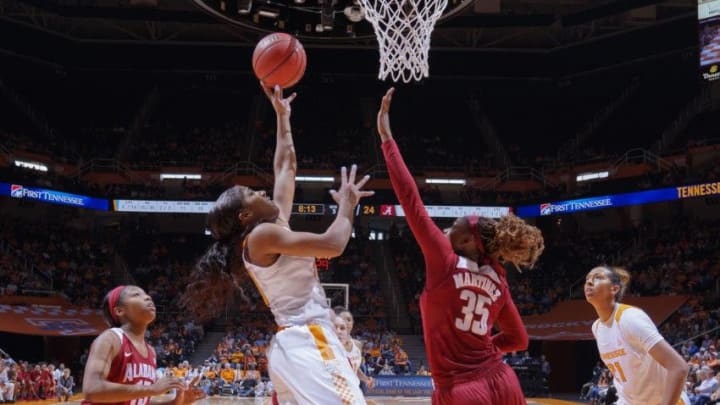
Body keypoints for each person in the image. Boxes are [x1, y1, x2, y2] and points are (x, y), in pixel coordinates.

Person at [182, 85, 373, 405]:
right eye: (254, 195)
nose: (265, 194)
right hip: (308, 338)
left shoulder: (268, 231)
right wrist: (347, 206)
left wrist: (282, 117)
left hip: (295, 343)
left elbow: (286, 167)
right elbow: (334, 244)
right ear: (245, 215)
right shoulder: (259, 238)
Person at [376, 88, 545, 405]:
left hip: (462, 390)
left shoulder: (444, 259)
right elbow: (519, 340)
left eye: (455, 224)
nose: (448, 226)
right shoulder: (498, 277)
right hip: (503, 381)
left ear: (468, 240)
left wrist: (387, 139)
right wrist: (487, 348)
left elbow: (411, 200)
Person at [584, 266, 691, 405]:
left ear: (614, 289)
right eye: (587, 279)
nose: (589, 282)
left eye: (598, 277)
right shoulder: (597, 327)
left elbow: (679, 367)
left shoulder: (629, 318)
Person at [81, 285, 206, 405]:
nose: (148, 297)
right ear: (119, 310)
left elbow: (138, 401)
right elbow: (92, 389)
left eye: (146, 294)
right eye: (136, 294)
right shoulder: (111, 339)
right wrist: (151, 389)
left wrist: (175, 403)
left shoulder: (151, 351)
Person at [334, 308, 375, 390]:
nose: (346, 322)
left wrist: (366, 379)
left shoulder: (358, 344)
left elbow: (354, 369)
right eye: (343, 319)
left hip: (353, 390)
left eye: (349, 320)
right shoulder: (332, 344)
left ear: (352, 323)